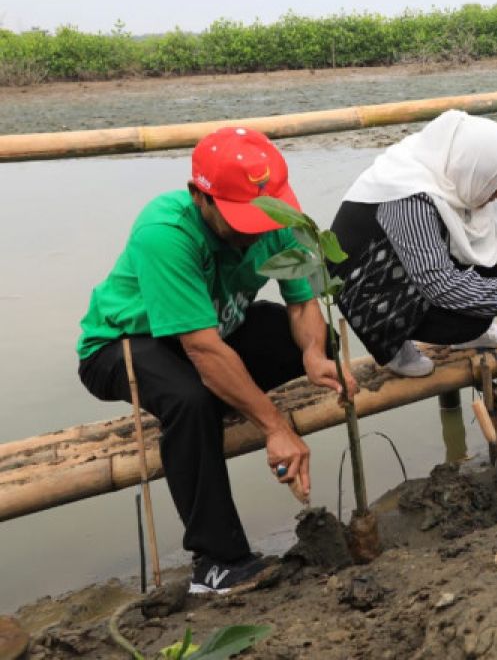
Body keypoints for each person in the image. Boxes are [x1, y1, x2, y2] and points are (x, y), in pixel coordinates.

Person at [77, 127, 353, 595]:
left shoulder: (278, 217)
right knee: (189, 401)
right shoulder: (165, 233)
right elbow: (201, 349)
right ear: (198, 196)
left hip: (216, 329)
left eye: (260, 219)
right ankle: (217, 562)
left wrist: (311, 353)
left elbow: (303, 304)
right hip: (125, 344)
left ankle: (225, 396)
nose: (253, 234)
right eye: (238, 221)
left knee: (308, 344)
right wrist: (275, 427)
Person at [330, 110, 497, 376]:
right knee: (468, 324)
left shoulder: (451, 161)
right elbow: (438, 283)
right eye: (493, 184)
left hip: (415, 261)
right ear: (471, 170)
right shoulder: (409, 194)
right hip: (375, 284)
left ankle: (477, 324)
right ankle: (394, 344)